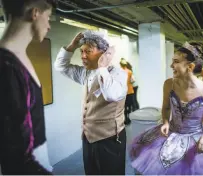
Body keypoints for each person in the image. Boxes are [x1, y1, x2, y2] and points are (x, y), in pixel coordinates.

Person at [129, 42, 203, 175]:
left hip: (197, 137)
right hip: (171, 136)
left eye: (176, 62)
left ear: (190, 66)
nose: (171, 65)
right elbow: (166, 107)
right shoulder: (169, 84)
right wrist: (166, 122)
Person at [54, 31, 128, 175]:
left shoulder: (117, 74)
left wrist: (102, 67)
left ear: (104, 53)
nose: (83, 56)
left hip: (110, 139)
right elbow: (60, 66)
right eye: (81, 51)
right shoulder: (86, 73)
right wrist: (72, 46)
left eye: (88, 51)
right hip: (88, 137)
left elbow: (112, 95)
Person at [0, 0, 57, 174]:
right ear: (35, 13)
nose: (49, 26)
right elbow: (16, 153)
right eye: (47, 17)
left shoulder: (17, 58)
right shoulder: (6, 67)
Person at [120, 59, 134, 125]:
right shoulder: (129, 72)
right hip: (130, 91)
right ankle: (130, 118)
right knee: (129, 105)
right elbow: (132, 80)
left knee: (124, 107)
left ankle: (126, 119)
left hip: (123, 92)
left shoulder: (120, 72)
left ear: (121, 65)